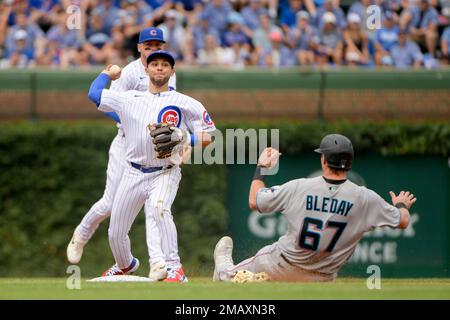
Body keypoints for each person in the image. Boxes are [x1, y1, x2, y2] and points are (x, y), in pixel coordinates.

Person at [67, 27, 186, 282]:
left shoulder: (165, 71)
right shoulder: (130, 73)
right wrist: (135, 120)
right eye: (149, 45)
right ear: (140, 48)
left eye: (158, 45)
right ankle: (82, 233)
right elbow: (106, 103)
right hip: (126, 144)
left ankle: (159, 264)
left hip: (155, 147)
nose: (154, 49)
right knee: (110, 204)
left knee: (157, 207)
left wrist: (179, 142)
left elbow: (171, 108)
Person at [213, 134, 417, 282]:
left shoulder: (299, 187)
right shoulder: (365, 198)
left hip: (279, 264)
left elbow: (255, 201)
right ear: (350, 163)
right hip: (323, 279)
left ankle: (224, 272)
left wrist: (262, 168)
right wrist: (401, 204)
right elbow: (403, 220)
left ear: (324, 159)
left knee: (229, 277)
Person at [88, 50, 215, 281]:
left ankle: (174, 267)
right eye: (154, 63)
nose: (159, 67)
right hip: (132, 171)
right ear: (146, 70)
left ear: (171, 71)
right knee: (116, 232)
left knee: (159, 209)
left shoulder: (185, 103)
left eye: (165, 65)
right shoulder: (129, 99)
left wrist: (186, 139)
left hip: (165, 172)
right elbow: (94, 94)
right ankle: (125, 264)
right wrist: (107, 73)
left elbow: (209, 136)